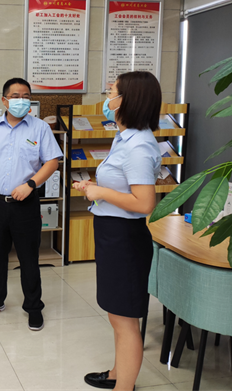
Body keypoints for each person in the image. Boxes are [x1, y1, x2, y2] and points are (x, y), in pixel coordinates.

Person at [73, 71, 162, 391]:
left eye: (111, 92)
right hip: (113, 232)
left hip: (125, 238)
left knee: (125, 321)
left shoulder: (138, 146)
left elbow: (145, 203)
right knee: (118, 315)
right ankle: (116, 374)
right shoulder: (125, 138)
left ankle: (124, 386)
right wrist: (95, 188)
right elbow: (124, 187)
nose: (106, 99)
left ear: (128, 100)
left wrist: (101, 192)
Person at [0, 78, 63, 331]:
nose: (21, 100)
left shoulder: (40, 128)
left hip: (26, 205)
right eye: (15, 96)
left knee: (28, 258)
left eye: (26, 96)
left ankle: (33, 307)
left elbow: (52, 162)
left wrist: (30, 184)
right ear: (4, 100)